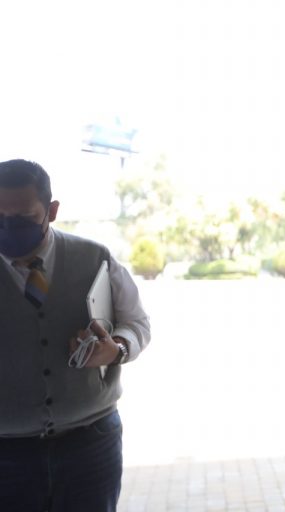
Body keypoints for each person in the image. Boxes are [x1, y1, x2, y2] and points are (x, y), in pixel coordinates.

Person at [0, 159, 151, 511]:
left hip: (90, 444)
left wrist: (116, 349)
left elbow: (138, 324)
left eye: (22, 218)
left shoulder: (95, 258)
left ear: (51, 211)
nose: (8, 227)